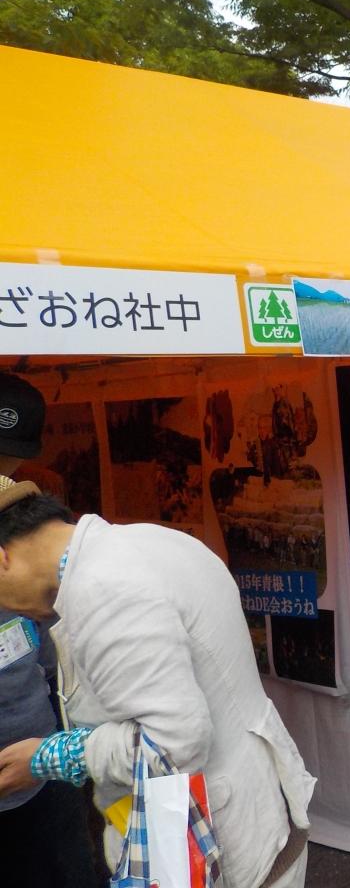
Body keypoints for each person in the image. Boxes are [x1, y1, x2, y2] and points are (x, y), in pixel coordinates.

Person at [0, 485, 314, 888]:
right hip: (262, 815)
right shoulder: (149, 540)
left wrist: (50, 756)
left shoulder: (104, 589)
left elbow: (173, 743)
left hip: (221, 849)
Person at [0, 374, 98, 888]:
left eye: (8, 461)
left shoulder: (26, 532)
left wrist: (58, 749)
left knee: (68, 872)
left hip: (43, 766)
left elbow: (50, 653)